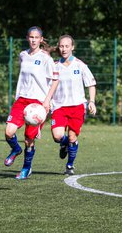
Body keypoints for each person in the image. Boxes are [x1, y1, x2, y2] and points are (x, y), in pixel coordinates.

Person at [4, 26, 59, 180]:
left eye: (36, 37)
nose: (33, 40)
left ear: (41, 40)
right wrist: (17, 94)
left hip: (38, 103)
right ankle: (15, 150)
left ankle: (26, 168)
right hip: (21, 100)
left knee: (29, 138)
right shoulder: (23, 55)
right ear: (27, 38)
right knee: (9, 132)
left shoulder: (46, 58)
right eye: (31, 37)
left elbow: (55, 80)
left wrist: (47, 101)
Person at [50, 34, 97, 175]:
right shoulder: (54, 66)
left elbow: (91, 84)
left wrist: (92, 102)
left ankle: (69, 166)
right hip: (59, 106)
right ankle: (63, 144)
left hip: (77, 107)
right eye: (61, 46)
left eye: (67, 46)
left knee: (72, 137)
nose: (64, 49)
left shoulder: (80, 65)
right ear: (59, 47)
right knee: (57, 136)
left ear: (72, 47)